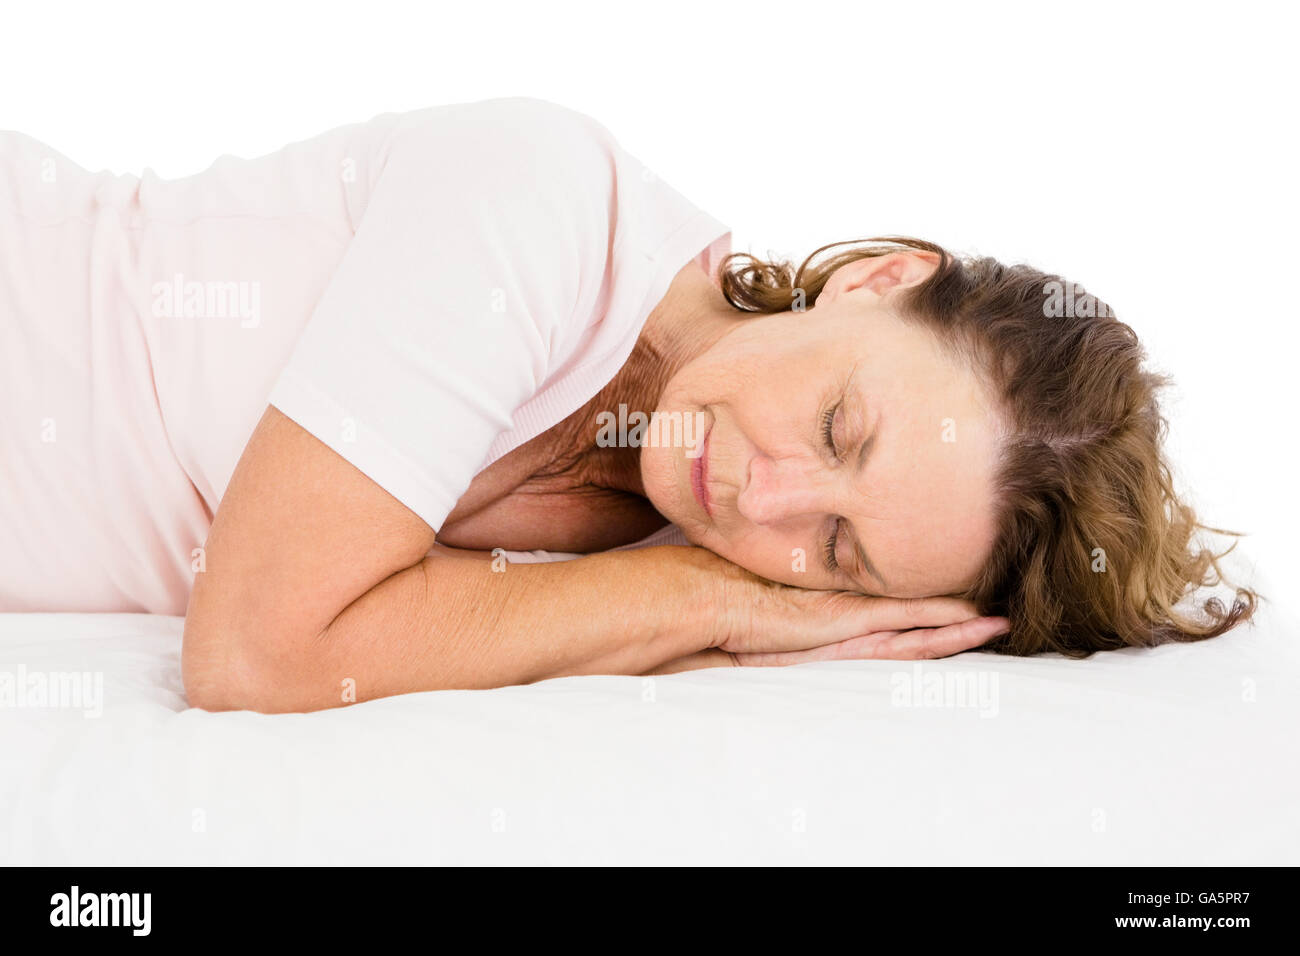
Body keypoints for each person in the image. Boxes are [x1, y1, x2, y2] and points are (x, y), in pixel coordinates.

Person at [0, 97, 1255, 713]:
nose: (756, 496)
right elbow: (258, 650)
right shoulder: (544, 211)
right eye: (838, 428)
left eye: (834, 549)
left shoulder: (658, 518)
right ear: (877, 282)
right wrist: (712, 600)